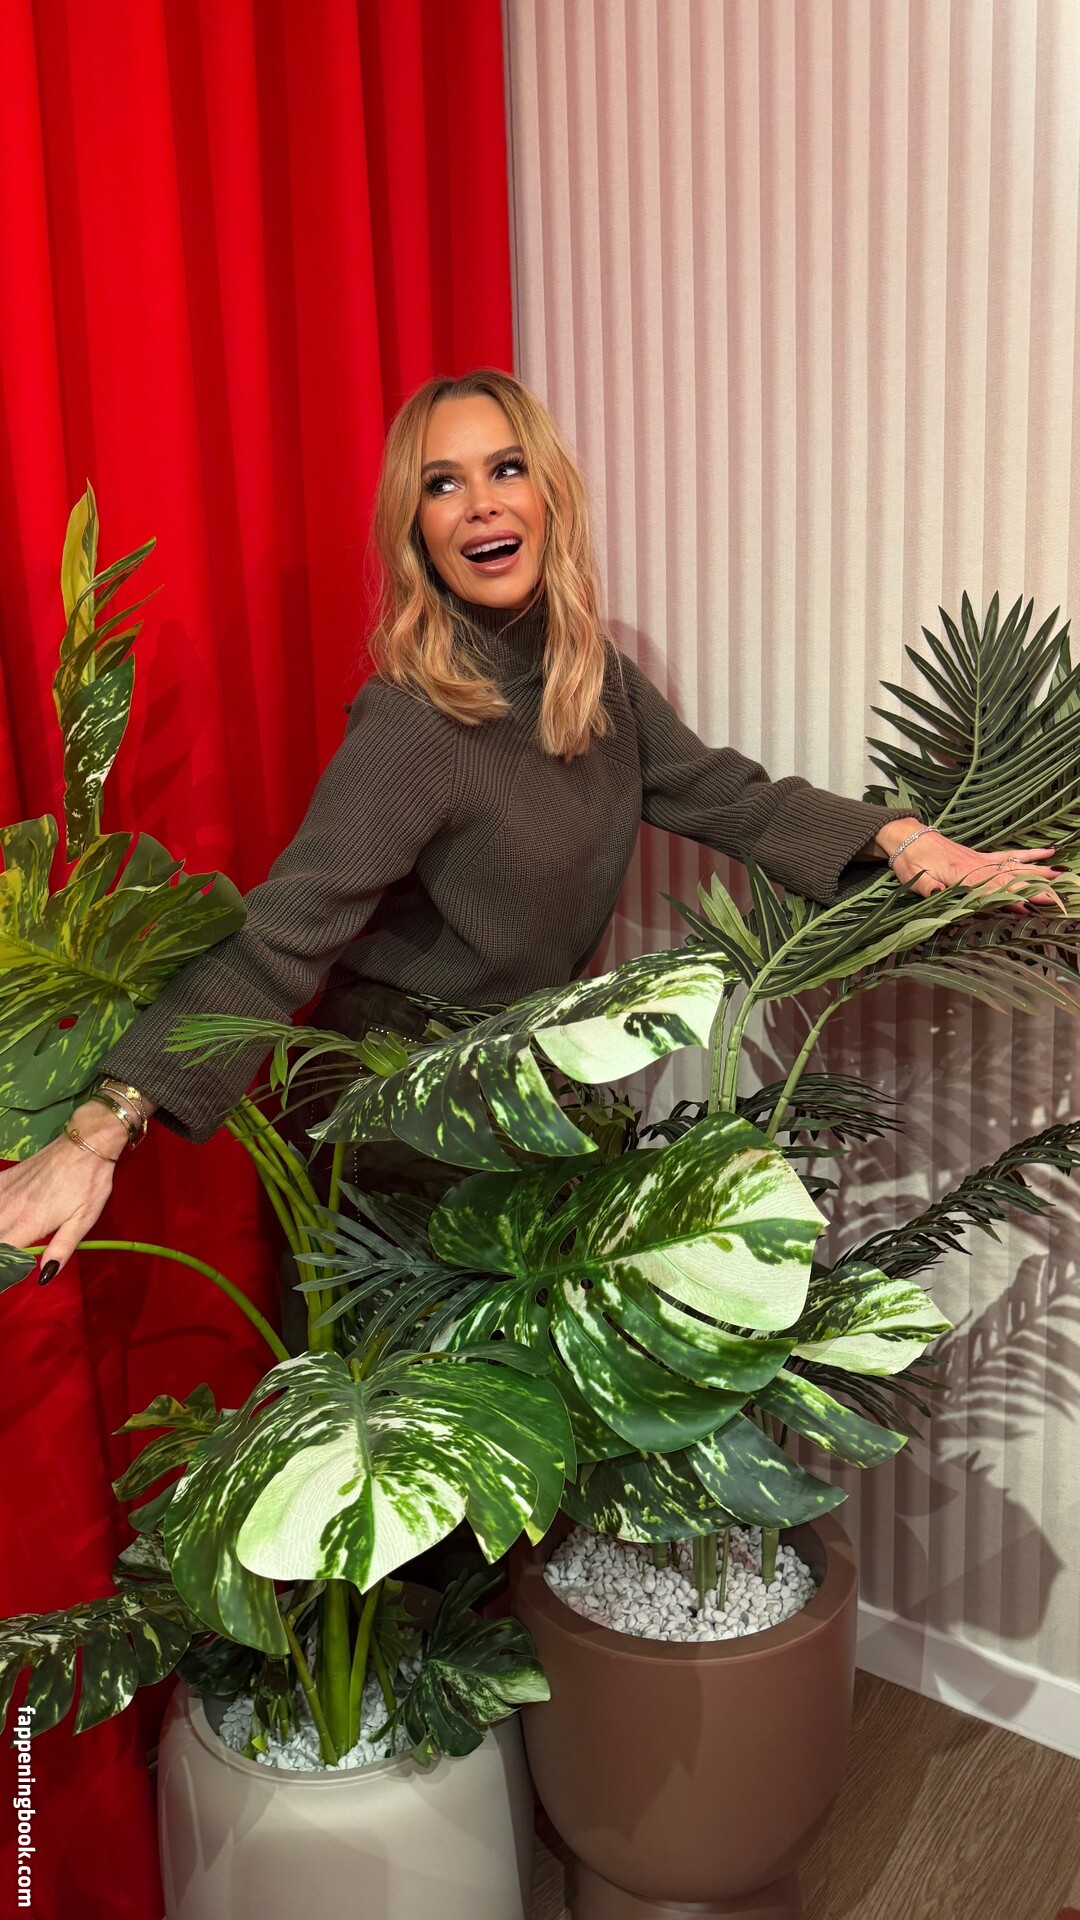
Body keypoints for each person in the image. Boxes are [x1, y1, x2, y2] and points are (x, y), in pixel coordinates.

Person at [0, 369, 1061, 1281]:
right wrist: (103, 1127)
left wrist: (906, 841)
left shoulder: (595, 681)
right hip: (399, 1111)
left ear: (548, 495)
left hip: (526, 1083)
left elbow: (727, 795)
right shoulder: (414, 717)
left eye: (504, 470)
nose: (478, 505)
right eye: (441, 484)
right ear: (417, 534)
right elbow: (288, 929)